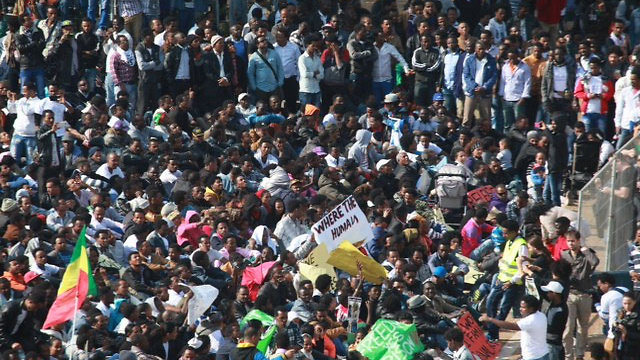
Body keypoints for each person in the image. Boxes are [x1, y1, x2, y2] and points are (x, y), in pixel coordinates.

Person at [561, 230, 599, 360]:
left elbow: (595, 262)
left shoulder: (586, 255)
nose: (571, 244)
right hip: (570, 295)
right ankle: (568, 355)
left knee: (583, 326)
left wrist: (586, 251)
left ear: (578, 241)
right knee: (568, 327)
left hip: (584, 295)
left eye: (573, 241)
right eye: (568, 241)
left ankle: (580, 354)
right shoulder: (564, 255)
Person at [480, 295, 549, 360]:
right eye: (520, 306)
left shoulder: (529, 320)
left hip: (533, 357)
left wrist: (490, 319)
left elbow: (511, 326)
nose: (520, 309)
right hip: (543, 354)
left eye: (523, 307)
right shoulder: (541, 315)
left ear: (531, 309)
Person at [541, 281, 568, 360]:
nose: (547, 294)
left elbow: (552, 329)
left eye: (549, 292)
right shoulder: (554, 303)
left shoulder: (560, 310)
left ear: (555, 293)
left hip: (553, 346)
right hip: (551, 344)